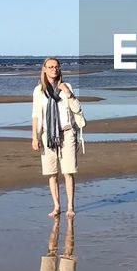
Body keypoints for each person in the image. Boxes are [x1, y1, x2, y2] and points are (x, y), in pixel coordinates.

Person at [31, 58, 84, 234]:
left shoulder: (66, 86)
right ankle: (56, 206)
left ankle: (70, 206)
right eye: (51, 67)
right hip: (48, 135)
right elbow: (36, 116)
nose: (54, 69)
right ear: (44, 69)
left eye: (56, 67)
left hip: (67, 133)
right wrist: (34, 137)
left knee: (68, 172)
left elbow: (77, 109)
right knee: (51, 173)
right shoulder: (39, 91)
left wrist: (69, 94)